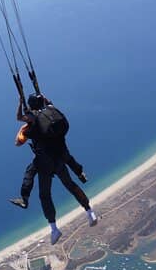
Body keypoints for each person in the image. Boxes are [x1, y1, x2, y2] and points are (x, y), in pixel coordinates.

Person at [8, 93, 97, 244]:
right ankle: (90, 212)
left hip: (45, 163)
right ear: (42, 101)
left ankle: (52, 226)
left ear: (31, 106)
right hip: (60, 158)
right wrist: (44, 98)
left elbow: (19, 118)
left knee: (43, 192)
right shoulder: (52, 111)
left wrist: (19, 102)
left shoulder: (33, 119)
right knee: (71, 185)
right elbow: (49, 103)